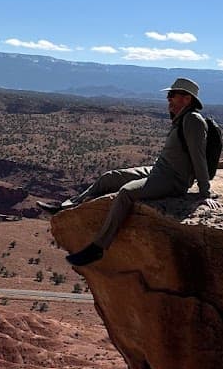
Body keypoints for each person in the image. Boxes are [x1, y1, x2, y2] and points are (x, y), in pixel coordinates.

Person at [38, 77, 212, 266]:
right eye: (169, 95)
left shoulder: (193, 120)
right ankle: (67, 206)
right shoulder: (182, 118)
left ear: (186, 99)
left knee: (127, 192)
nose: (168, 99)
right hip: (159, 170)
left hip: (173, 179)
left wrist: (204, 192)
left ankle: (98, 248)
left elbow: (198, 156)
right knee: (109, 177)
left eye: (172, 95)